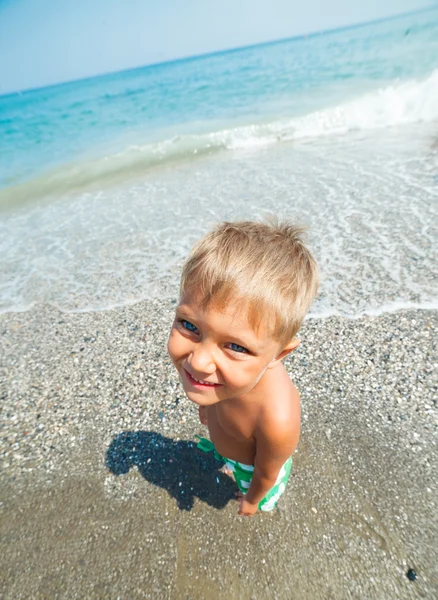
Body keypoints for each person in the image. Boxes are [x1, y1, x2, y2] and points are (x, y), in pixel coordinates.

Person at [167, 220, 318, 516]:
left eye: (236, 347)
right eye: (189, 325)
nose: (198, 362)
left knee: (261, 491)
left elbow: (266, 473)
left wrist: (252, 499)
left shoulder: (278, 421)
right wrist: (208, 409)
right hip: (231, 448)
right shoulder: (226, 380)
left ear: (279, 354)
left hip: (253, 471)